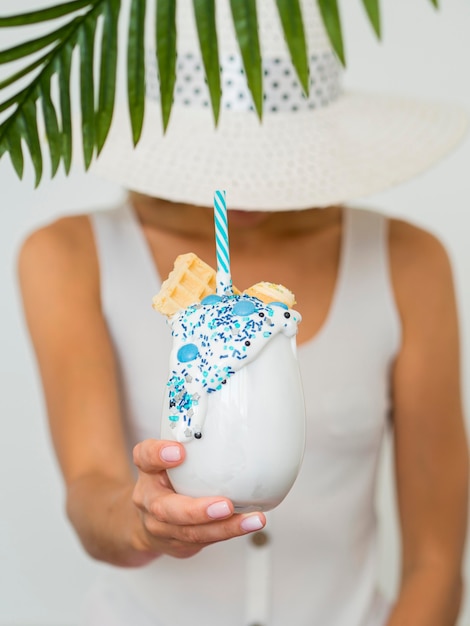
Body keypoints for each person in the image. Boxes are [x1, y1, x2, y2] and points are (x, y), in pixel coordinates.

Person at [16, 1, 468, 625]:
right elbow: (89, 493)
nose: (247, 179)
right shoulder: (68, 255)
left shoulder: (407, 263)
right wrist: (145, 522)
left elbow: (437, 557)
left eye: (272, 148)